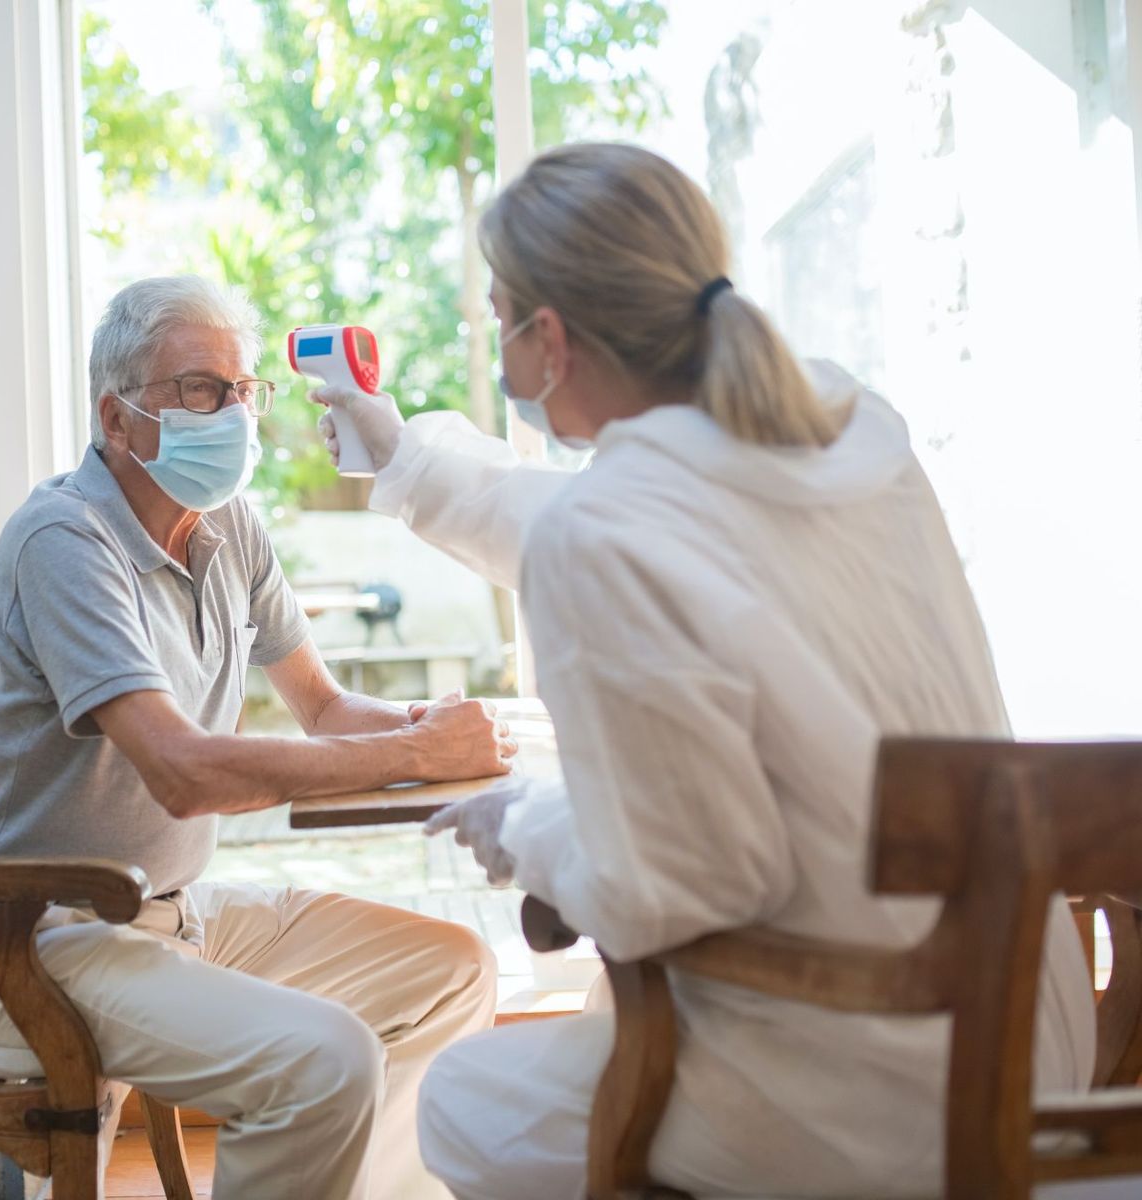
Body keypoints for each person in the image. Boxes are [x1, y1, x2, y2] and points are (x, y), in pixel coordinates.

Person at [312, 142, 1095, 1199]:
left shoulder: (607, 531)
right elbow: (614, 516)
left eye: (499, 319)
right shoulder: (854, 435)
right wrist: (406, 460)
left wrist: (527, 829)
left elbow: (671, 895)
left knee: (465, 1098)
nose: (499, 355)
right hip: (1031, 1050)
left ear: (550, 341)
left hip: (869, 1091)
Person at [0, 275, 511, 1200]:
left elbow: (324, 708)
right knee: (322, 1059)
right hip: (21, 940)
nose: (233, 413)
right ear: (118, 420)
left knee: (452, 969)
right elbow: (182, 773)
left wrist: (429, 728)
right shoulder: (64, 540)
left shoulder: (230, 526)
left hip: (169, 910)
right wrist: (410, 755)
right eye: (200, 389)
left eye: (242, 389)